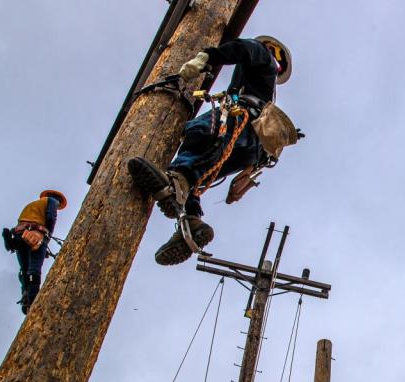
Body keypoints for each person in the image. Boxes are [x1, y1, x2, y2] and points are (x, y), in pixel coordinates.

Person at [128, 35, 301, 266]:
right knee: (201, 173)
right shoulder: (265, 88)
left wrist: (207, 56)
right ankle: (192, 221)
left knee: (197, 135)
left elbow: (243, 48)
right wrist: (245, 176)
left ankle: (175, 184)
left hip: (240, 120)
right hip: (251, 149)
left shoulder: (261, 54)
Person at [2, 190, 66, 314]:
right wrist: (46, 239)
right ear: (57, 200)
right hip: (35, 236)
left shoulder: (32, 205)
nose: (57, 207)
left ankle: (25, 298)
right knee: (34, 270)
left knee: (24, 270)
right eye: (59, 205)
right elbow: (51, 218)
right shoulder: (51, 202)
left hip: (19, 236)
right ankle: (32, 300)